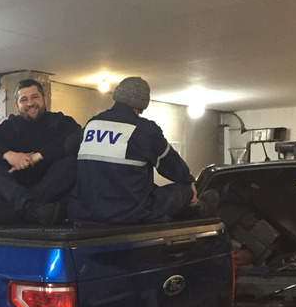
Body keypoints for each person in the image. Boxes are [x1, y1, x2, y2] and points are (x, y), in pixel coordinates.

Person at [67, 76, 217, 225]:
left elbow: (70, 148)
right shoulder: (145, 130)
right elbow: (172, 165)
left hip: (85, 211)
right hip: (129, 213)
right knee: (183, 190)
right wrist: (189, 181)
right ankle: (199, 208)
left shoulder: (92, 124)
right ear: (143, 105)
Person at [0, 79, 82, 224]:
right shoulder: (9, 126)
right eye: (24, 100)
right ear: (16, 106)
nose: (30, 103)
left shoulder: (60, 121)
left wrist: (38, 156)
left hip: (49, 191)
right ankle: (30, 208)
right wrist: (9, 155)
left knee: (73, 159)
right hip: (22, 192)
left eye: (35, 97)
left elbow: (77, 137)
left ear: (44, 99)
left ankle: (20, 209)